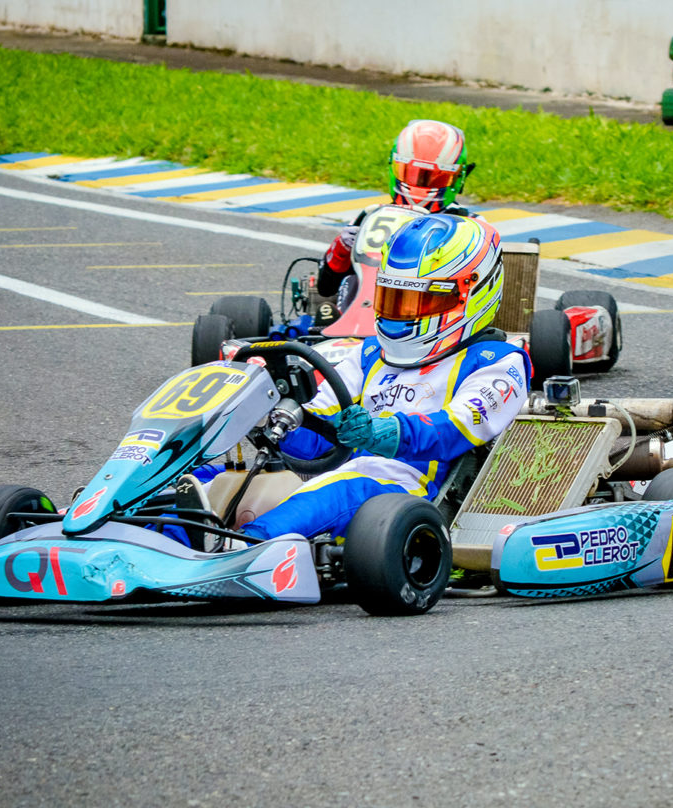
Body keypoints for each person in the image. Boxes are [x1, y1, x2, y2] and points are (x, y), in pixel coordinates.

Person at [184, 213, 529, 544]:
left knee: (341, 489)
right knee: (209, 480)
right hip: (337, 475)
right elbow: (313, 436)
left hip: (405, 491)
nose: (401, 314)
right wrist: (273, 411)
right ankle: (155, 537)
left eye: (417, 301)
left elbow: (456, 429)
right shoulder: (369, 354)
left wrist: (387, 433)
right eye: (395, 298)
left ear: (471, 293)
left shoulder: (500, 363)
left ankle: (244, 549)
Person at [316, 120, 473, 305]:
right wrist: (342, 248)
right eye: (412, 173)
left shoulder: (467, 224)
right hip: (368, 305)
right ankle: (350, 320)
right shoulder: (372, 216)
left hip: (430, 309)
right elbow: (325, 288)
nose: (420, 184)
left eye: (434, 178)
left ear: (456, 178)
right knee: (346, 285)